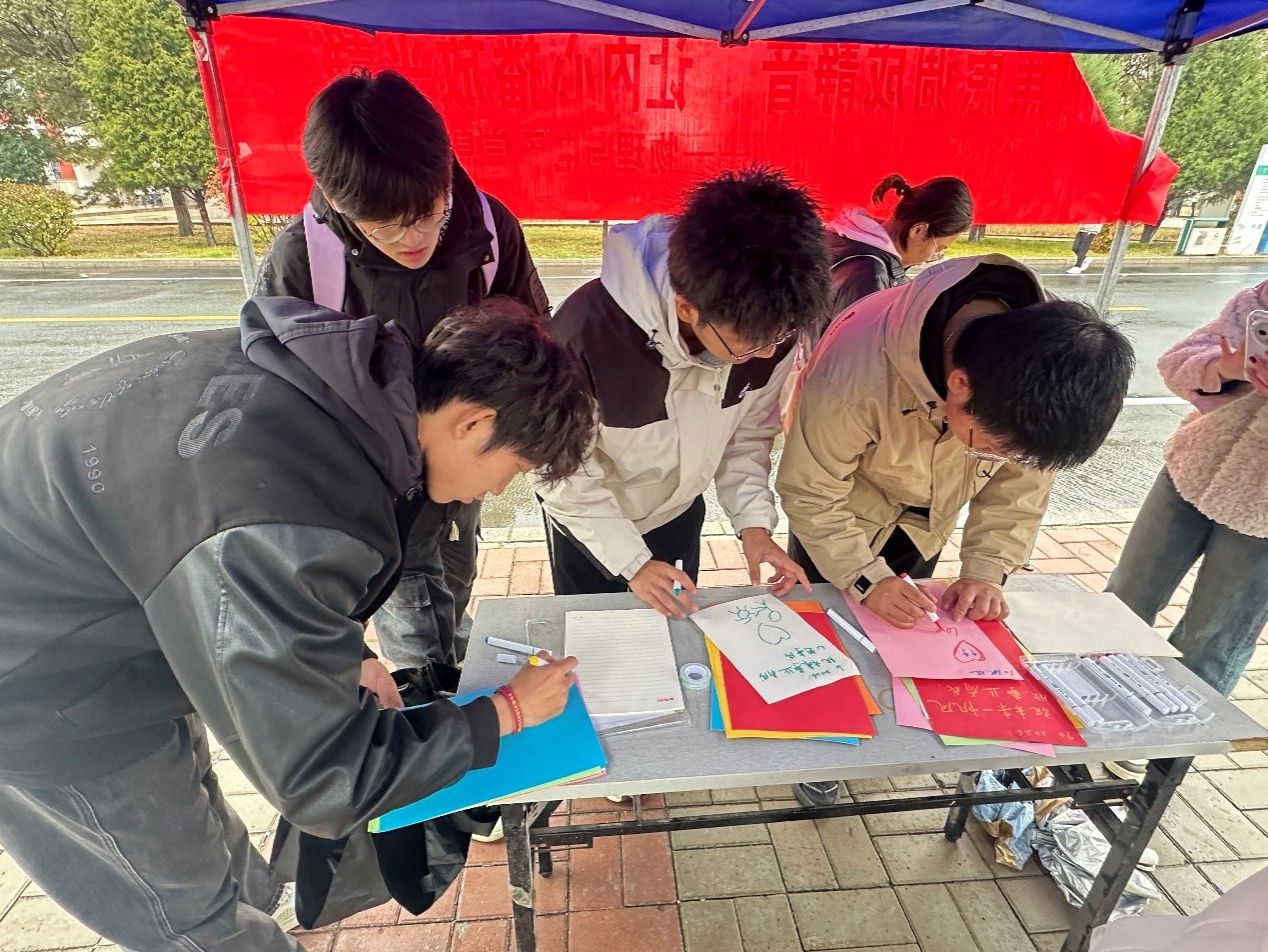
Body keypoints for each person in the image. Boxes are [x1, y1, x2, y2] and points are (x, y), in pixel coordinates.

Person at [0, 296, 594, 951]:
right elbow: (325, 778)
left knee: (194, 809)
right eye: (512, 470)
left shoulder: (330, 384)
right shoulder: (273, 513)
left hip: (110, 637)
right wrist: (506, 712)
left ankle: (260, 906)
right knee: (189, 921)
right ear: (473, 421)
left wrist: (348, 653)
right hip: (40, 695)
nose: (495, 492)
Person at [777, 254, 1134, 806]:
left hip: (929, 519)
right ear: (959, 384)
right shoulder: (853, 370)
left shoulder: (1037, 374)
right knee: (831, 631)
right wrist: (864, 576)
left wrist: (986, 570)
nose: (999, 458)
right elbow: (811, 491)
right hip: (845, 509)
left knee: (905, 632)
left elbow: (1019, 489)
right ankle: (825, 745)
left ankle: (886, 731)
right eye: (991, 445)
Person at [256, 68, 551, 668]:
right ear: (335, 198)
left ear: (445, 173)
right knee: (409, 620)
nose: (413, 237)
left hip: (463, 468)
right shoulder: (304, 262)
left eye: (427, 212)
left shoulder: (489, 230)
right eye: (384, 225)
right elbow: (276, 401)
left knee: (456, 575)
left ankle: (449, 663)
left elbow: (533, 341)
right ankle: (429, 689)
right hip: (373, 491)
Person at [535, 167, 829, 617]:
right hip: (592, 525)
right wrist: (631, 563)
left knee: (676, 627)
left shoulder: (771, 327)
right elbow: (560, 472)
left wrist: (754, 526)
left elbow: (747, 435)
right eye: (748, 344)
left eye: (779, 338)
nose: (767, 354)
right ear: (686, 309)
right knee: (597, 634)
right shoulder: (584, 338)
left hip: (677, 512)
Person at [1104, 280, 1268, 781]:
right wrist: (1230, 368)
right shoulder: (1258, 302)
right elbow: (1178, 363)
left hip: (1263, 515)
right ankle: (1093, 709)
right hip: (1192, 469)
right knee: (1125, 599)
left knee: (1212, 639)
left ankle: (1163, 757)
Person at [825, 174, 973, 316]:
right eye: (938, 248)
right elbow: (861, 333)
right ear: (918, 230)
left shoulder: (843, 236)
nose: (932, 257)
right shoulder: (870, 274)